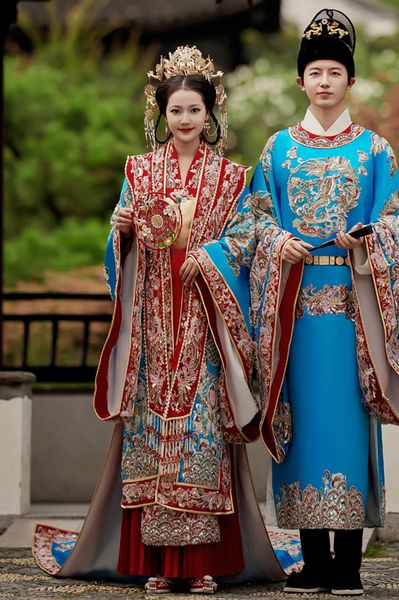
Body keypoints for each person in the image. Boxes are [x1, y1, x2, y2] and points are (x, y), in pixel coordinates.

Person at [32, 46, 284, 595]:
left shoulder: (235, 178)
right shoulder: (139, 171)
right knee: (149, 433)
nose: (186, 120)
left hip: (205, 322)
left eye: (196, 110)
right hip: (151, 324)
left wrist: (212, 257)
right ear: (160, 114)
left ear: (212, 113)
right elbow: (117, 245)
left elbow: (250, 239)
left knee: (202, 437)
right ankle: (153, 563)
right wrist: (119, 229)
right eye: (176, 111)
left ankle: (203, 565)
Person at [247, 9, 399, 596]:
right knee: (300, 426)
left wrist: (369, 242)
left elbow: (397, 225)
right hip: (295, 311)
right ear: (300, 81)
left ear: (351, 81)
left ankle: (348, 562)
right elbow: (252, 223)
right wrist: (279, 243)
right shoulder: (276, 149)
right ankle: (313, 560)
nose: (324, 82)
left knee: (348, 427)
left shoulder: (375, 150)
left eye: (335, 72)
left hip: (353, 310)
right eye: (315, 72)